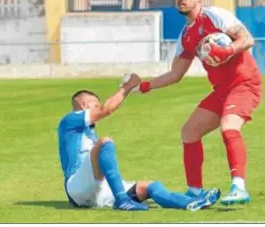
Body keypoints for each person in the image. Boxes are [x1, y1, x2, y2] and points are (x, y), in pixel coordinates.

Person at [129, 0, 262, 205]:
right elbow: (175, 74)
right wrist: (143, 86)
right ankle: (195, 191)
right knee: (189, 132)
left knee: (229, 127)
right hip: (221, 91)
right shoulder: (185, 36)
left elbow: (247, 39)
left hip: (244, 84)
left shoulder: (215, 16)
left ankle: (239, 188)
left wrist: (227, 50)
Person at [57, 74, 221, 211]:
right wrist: (128, 86)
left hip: (97, 191)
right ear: (83, 104)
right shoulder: (70, 120)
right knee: (104, 142)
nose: (97, 108)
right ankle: (122, 200)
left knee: (151, 186)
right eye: (95, 105)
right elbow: (106, 109)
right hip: (76, 186)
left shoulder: (86, 132)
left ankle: (190, 202)